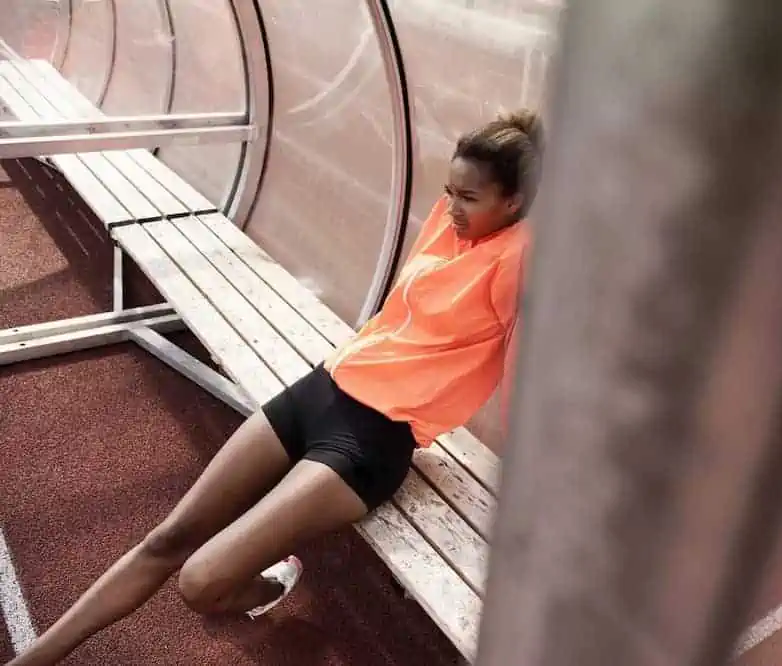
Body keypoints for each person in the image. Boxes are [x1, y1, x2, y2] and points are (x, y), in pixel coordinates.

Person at [7, 108, 542, 666]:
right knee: (166, 539)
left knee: (199, 583)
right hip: (324, 388)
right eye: (450, 191)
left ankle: (271, 584)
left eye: (469, 198)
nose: (452, 207)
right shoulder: (454, 220)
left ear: (515, 202)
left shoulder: (521, 259)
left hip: (372, 440)